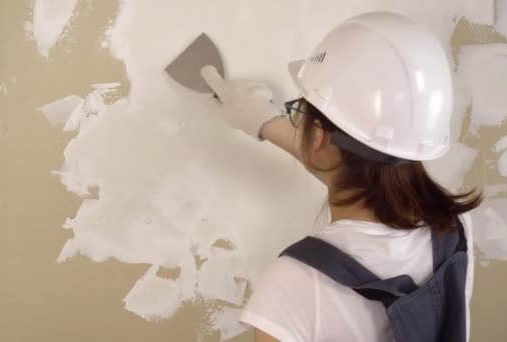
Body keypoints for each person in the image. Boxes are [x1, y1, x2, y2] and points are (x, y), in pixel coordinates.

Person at [201, 12, 482, 342]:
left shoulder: (295, 285)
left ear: (319, 136)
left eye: (299, 111)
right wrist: (265, 121)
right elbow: (368, 162)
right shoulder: (452, 227)